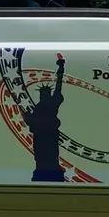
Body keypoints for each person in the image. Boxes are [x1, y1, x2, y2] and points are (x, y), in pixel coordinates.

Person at [25, 53, 68, 182]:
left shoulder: (52, 102)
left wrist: (61, 67)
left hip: (49, 137)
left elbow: (59, 84)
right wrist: (28, 117)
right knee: (41, 158)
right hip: (41, 138)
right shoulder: (39, 107)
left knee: (50, 157)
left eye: (45, 93)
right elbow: (31, 122)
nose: (43, 95)